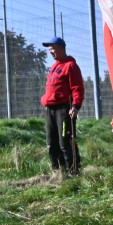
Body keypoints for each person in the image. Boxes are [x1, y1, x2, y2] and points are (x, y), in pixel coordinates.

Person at [40, 36, 84, 175]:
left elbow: (77, 87)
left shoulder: (71, 66)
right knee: (51, 142)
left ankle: (73, 170)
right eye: (49, 49)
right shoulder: (53, 67)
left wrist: (75, 106)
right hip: (50, 110)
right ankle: (58, 172)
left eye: (52, 48)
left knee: (65, 142)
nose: (50, 51)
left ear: (61, 48)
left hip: (64, 110)